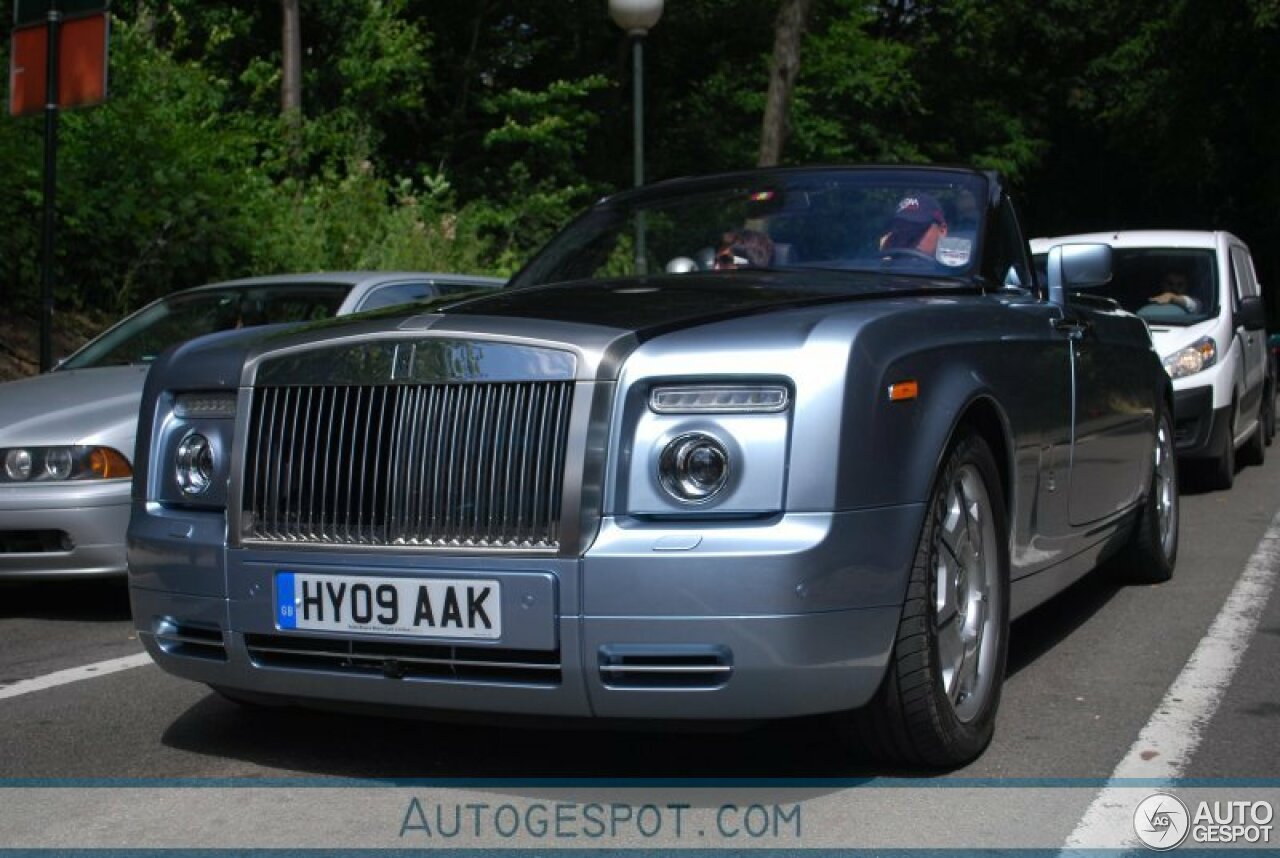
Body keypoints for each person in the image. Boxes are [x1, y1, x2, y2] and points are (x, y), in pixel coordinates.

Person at [880, 193, 948, 257]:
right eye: (901, 230)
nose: (908, 238)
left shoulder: (955, 268)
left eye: (917, 230)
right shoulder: (875, 267)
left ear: (942, 231)